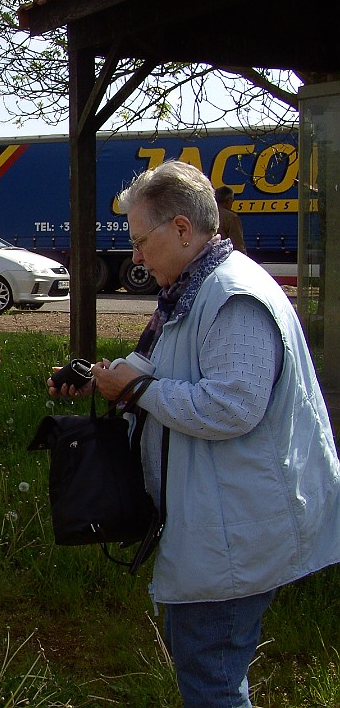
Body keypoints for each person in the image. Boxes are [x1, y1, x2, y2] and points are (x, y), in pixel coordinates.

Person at [50, 160, 340, 708]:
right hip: (221, 518)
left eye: (139, 241)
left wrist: (134, 393)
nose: (133, 256)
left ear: (182, 229)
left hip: (237, 530)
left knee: (211, 678)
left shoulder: (233, 297)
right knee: (210, 669)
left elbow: (233, 406)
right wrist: (102, 379)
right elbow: (163, 365)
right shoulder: (190, 287)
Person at [214, 185, 246, 253]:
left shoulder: (206, 214)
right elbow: (237, 244)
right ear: (229, 200)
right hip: (224, 257)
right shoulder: (231, 217)